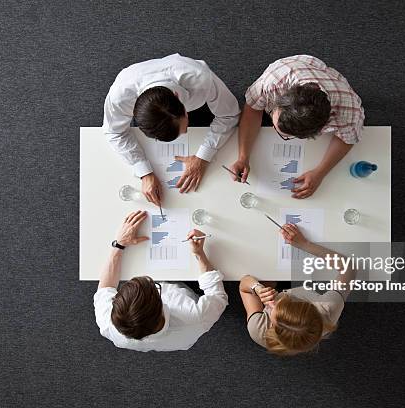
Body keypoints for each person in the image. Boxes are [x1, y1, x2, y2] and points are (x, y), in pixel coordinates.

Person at [104, 54, 240, 204]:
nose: (186, 132)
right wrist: (144, 172)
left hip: (189, 79)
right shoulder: (120, 98)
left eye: (185, 126)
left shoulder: (201, 78)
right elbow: (114, 132)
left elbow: (230, 114)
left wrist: (203, 156)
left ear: (178, 98)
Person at [231, 55, 365, 198]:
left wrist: (320, 173)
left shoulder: (349, 113)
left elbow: (348, 139)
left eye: (284, 135)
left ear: (316, 132)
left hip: (335, 84)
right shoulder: (274, 80)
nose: (274, 130)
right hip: (298, 66)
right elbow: (252, 109)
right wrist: (242, 157)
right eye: (273, 117)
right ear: (280, 101)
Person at [94, 210, 228, 351]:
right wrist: (200, 254)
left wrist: (119, 244)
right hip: (185, 290)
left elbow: (105, 287)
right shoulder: (196, 317)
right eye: (154, 288)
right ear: (160, 303)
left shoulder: (107, 323)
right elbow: (217, 296)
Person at [239, 224, 356, 356]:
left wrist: (257, 288)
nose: (272, 303)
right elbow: (348, 267)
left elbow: (244, 286)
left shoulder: (258, 330)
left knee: (264, 279)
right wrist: (304, 244)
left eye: (271, 309)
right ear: (308, 304)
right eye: (282, 303)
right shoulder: (328, 308)